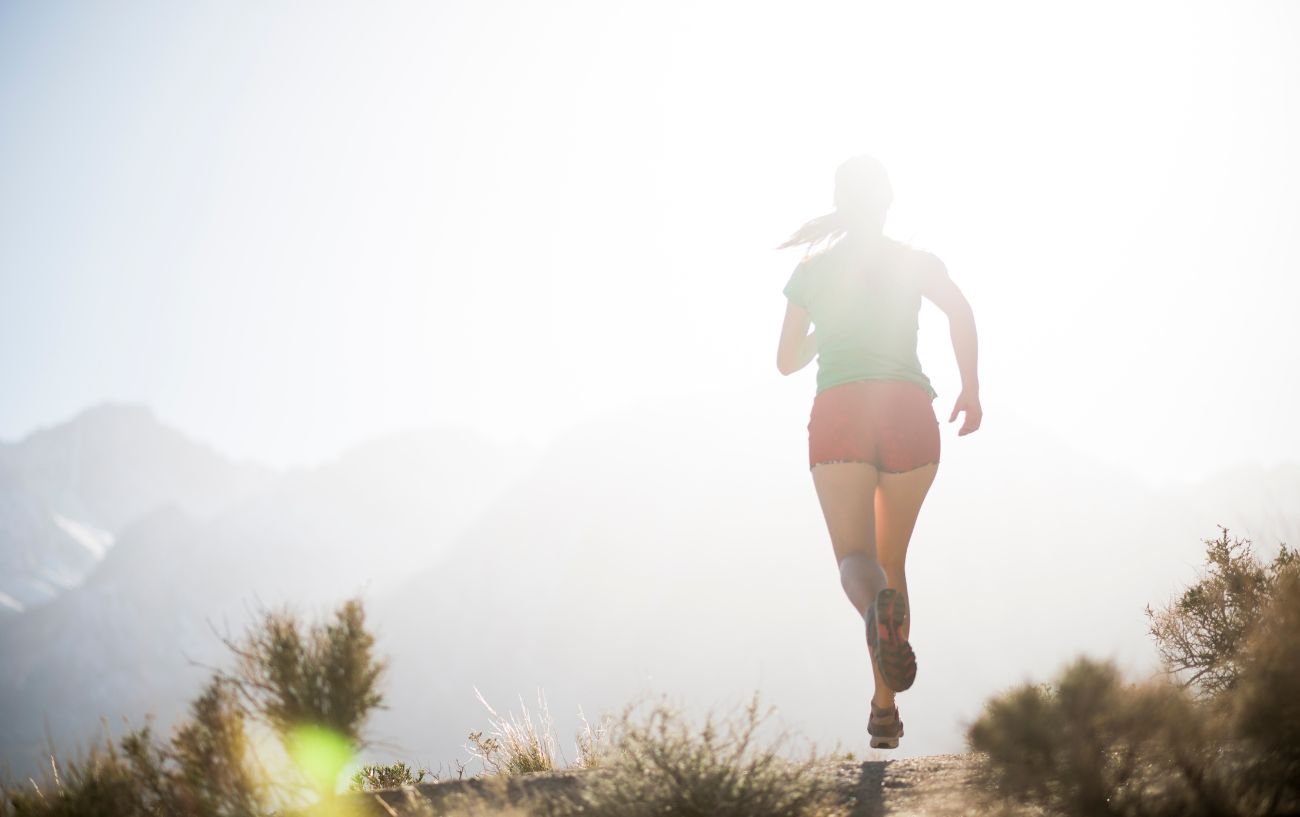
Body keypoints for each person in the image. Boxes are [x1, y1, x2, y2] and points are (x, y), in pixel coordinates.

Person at [775, 156, 981, 750]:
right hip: (909, 414)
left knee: (855, 562)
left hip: (840, 415)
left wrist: (829, 324)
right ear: (889, 202)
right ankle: (884, 711)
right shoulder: (914, 261)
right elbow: (960, 310)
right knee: (893, 560)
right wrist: (970, 388)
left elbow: (787, 361)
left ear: (840, 204)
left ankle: (872, 611)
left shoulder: (812, 271)